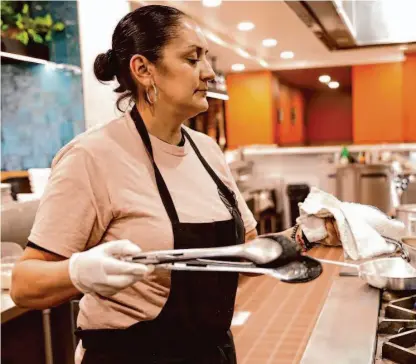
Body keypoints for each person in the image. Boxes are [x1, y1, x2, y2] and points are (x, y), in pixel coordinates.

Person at [10, 5, 339, 364]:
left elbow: (242, 257)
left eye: (206, 59)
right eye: (192, 59)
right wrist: (79, 272)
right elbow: (24, 283)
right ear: (143, 70)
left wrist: (308, 234)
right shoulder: (91, 156)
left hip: (209, 353)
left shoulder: (208, 152)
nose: (209, 73)